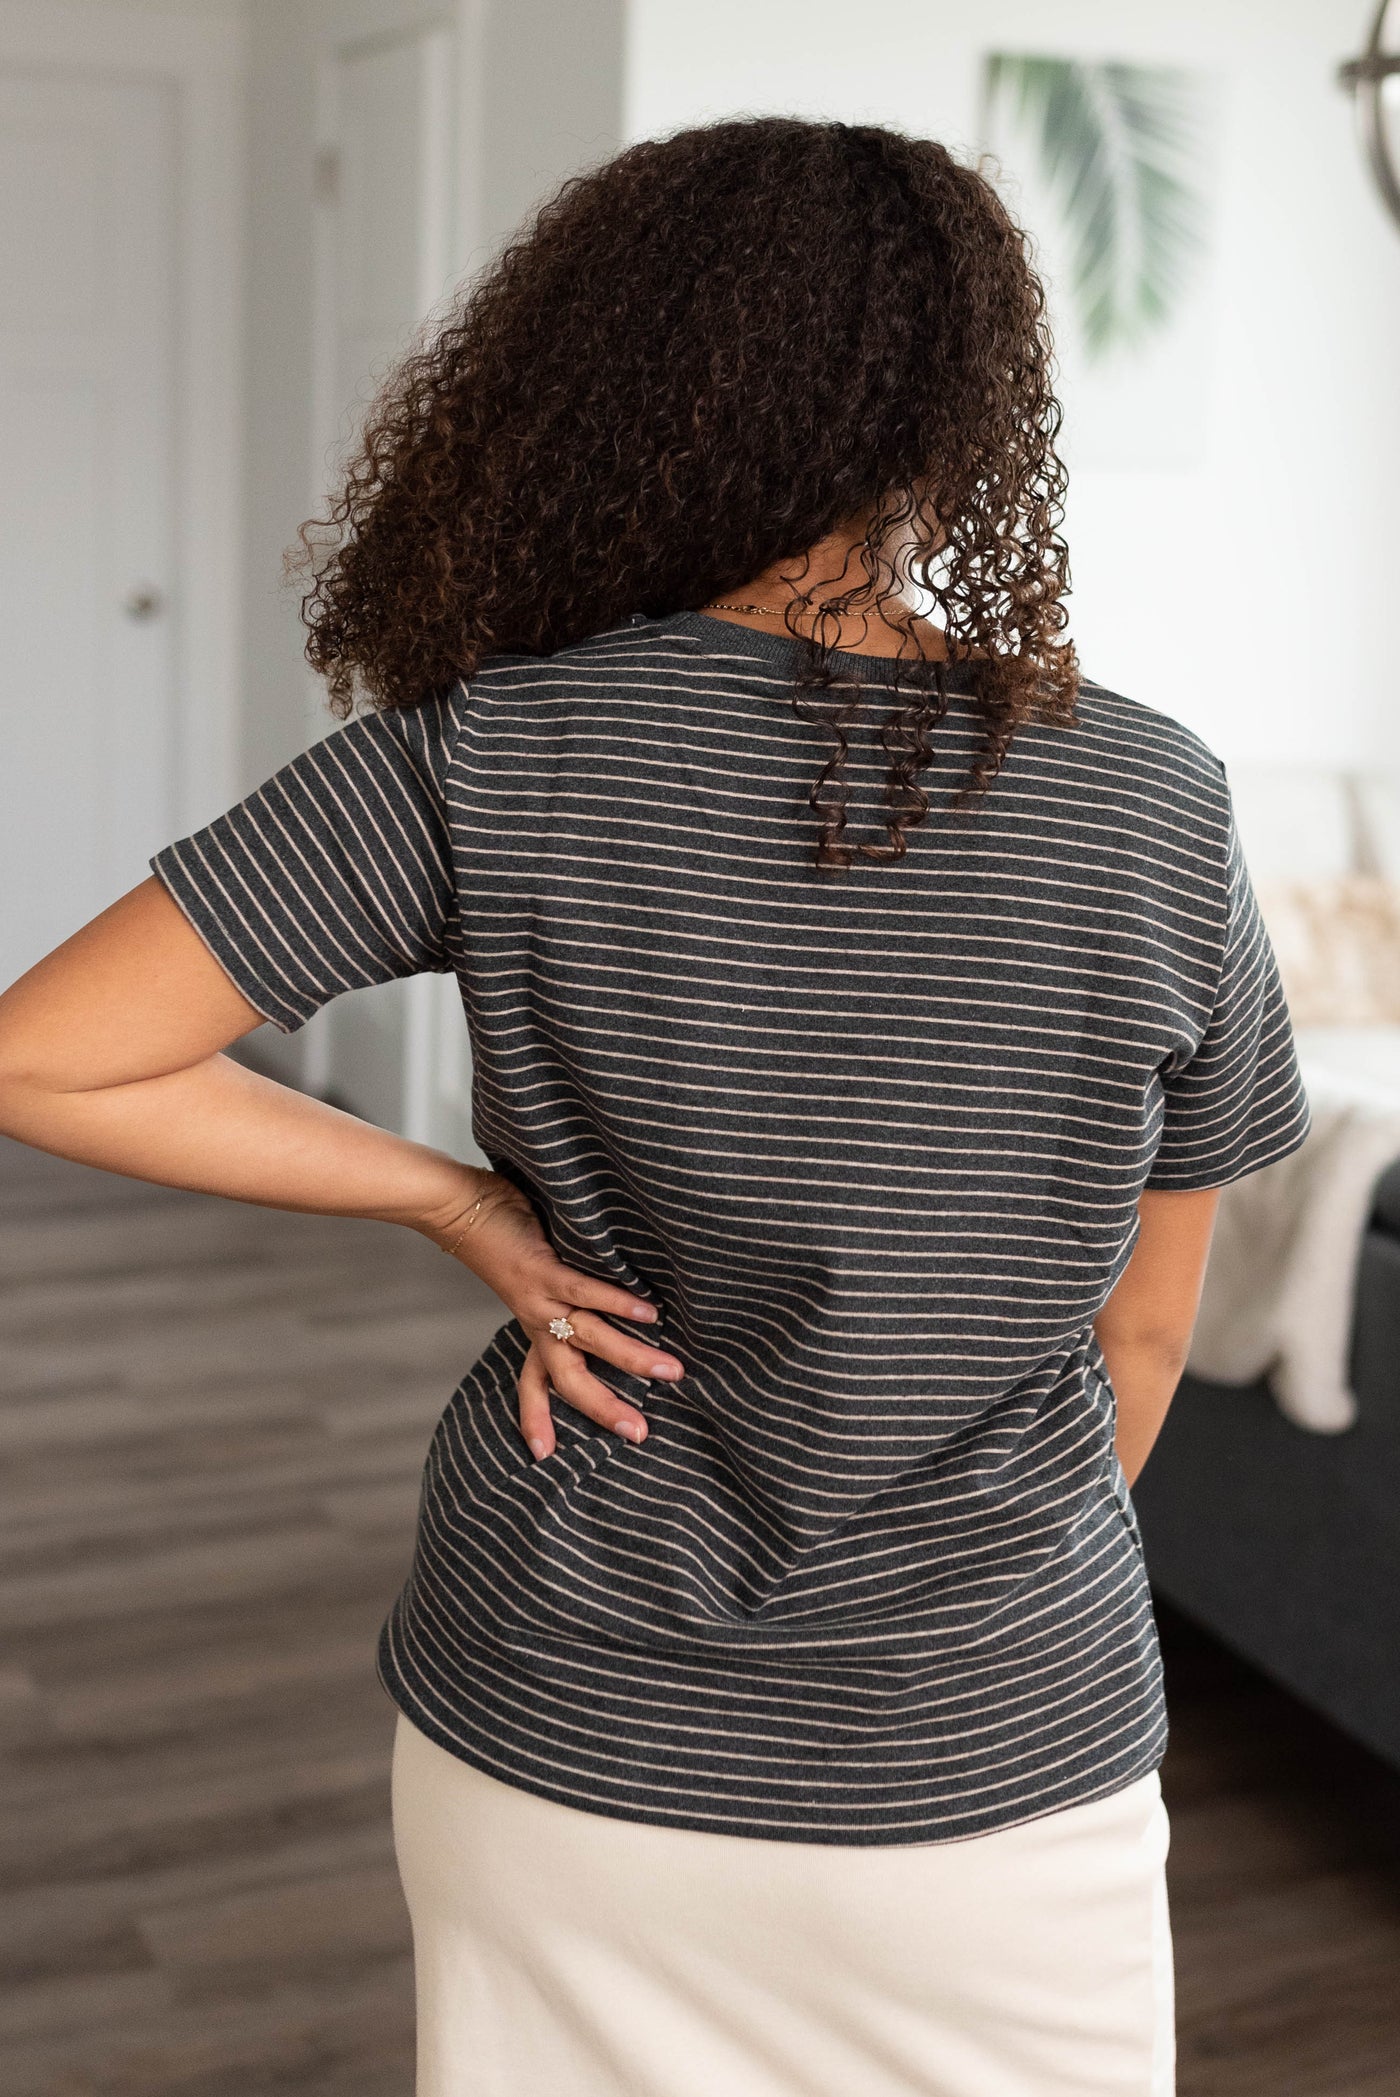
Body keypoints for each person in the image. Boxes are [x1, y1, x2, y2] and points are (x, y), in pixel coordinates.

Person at [0, 117, 1307, 2096]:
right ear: (950, 431)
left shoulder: (490, 751)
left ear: (601, 394)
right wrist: (943, 1608)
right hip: (990, 1772)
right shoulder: (1154, 799)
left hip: (562, 1731)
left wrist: (454, 1203)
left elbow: (46, 1047)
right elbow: (1139, 1327)